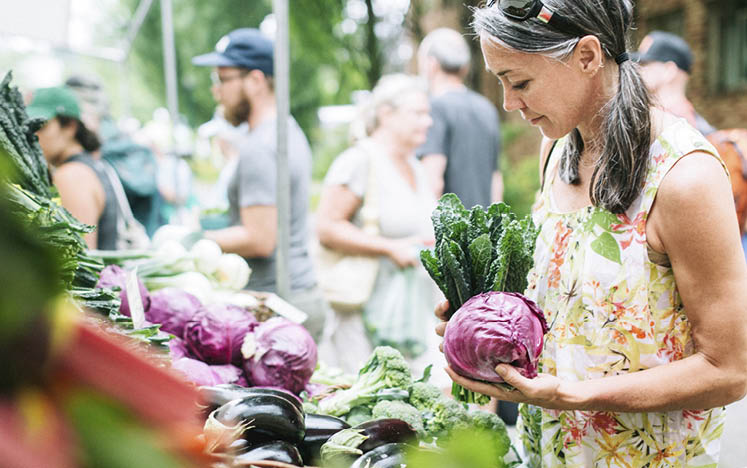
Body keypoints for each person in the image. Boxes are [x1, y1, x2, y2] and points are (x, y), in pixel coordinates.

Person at [434, 1, 747, 466]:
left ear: (586, 56)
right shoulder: (555, 149)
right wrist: (485, 319)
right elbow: (570, 300)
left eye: (519, 82)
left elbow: (730, 369)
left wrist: (571, 395)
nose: (508, 103)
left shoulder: (685, 177)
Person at [191, 28, 326, 341]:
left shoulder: (260, 146)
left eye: (222, 79)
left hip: (277, 304)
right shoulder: (285, 130)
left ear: (255, 81)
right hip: (299, 293)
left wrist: (195, 240)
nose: (216, 91)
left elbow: (260, 238)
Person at [315, 74, 445, 380]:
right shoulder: (359, 161)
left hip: (409, 315)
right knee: (367, 408)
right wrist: (390, 247)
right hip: (362, 317)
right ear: (386, 114)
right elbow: (327, 228)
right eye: (418, 113)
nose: (427, 122)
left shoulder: (415, 165)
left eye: (428, 114)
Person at [416, 27, 503, 209]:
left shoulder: (432, 108)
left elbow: (433, 180)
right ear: (464, 68)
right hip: (482, 230)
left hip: (451, 232)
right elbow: (495, 178)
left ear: (431, 64)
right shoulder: (486, 108)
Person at [28, 86, 119, 250]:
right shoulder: (91, 165)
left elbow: (80, 259)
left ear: (70, 125)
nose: (34, 136)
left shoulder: (71, 176)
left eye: (40, 126)